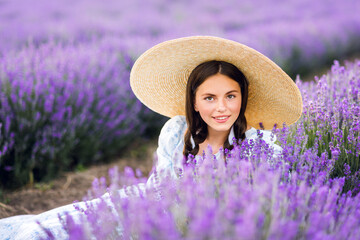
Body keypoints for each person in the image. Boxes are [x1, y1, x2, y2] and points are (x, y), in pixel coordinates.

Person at [0, 36, 302, 239]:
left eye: (230, 96)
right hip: (149, 212)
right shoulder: (176, 131)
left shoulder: (262, 147)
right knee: (41, 231)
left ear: (242, 98)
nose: (221, 108)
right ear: (194, 102)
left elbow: (266, 209)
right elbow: (160, 193)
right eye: (209, 98)